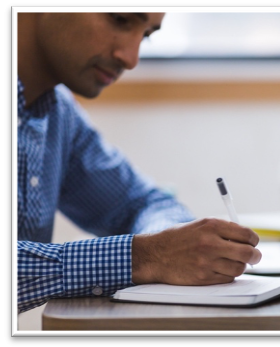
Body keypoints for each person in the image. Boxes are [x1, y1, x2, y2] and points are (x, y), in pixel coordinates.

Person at [17, 12, 262, 313]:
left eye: (146, 35)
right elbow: (149, 250)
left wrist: (173, 244)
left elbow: (141, 202)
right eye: (120, 19)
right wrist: (146, 256)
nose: (131, 59)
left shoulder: (57, 113)